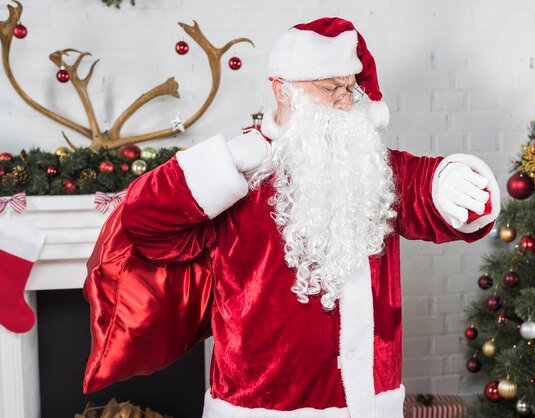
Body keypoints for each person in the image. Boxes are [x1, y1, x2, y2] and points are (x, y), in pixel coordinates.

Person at [119, 17, 500, 418]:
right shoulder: (242, 175)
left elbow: (430, 192)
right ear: (283, 90)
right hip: (259, 403)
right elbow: (144, 219)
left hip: (363, 403)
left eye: (350, 88)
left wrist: (452, 181)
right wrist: (226, 161)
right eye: (330, 87)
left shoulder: (375, 167)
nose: (344, 100)